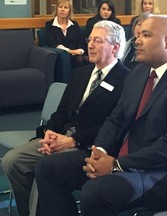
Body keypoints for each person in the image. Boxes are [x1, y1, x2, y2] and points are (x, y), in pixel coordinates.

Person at [34, 15, 167, 216]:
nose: (137, 41)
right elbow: (116, 119)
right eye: (138, 35)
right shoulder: (138, 73)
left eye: (146, 35)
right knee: (48, 168)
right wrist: (98, 151)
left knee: (97, 192)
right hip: (124, 160)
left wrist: (116, 165)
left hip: (163, 174)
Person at [1, 20, 129, 216]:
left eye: (98, 40)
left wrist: (73, 141)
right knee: (12, 161)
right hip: (60, 138)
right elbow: (62, 112)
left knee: (43, 169)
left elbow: (112, 126)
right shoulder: (81, 73)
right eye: (90, 39)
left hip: (88, 145)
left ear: (116, 47)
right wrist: (48, 132)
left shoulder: (126, 80)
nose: (90, 45)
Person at [44, 0, 89, 69]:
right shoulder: (50, 25)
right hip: (61, 56)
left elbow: (81, 42)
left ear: (69, 11)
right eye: (60, 7)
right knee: (80, 60)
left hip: (77, 54)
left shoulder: (74, 25)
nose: (62, 10)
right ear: (56, 9)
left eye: (66, 7)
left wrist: (80, 51)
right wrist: (70, 51)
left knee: (87, 59)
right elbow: (53, 43)